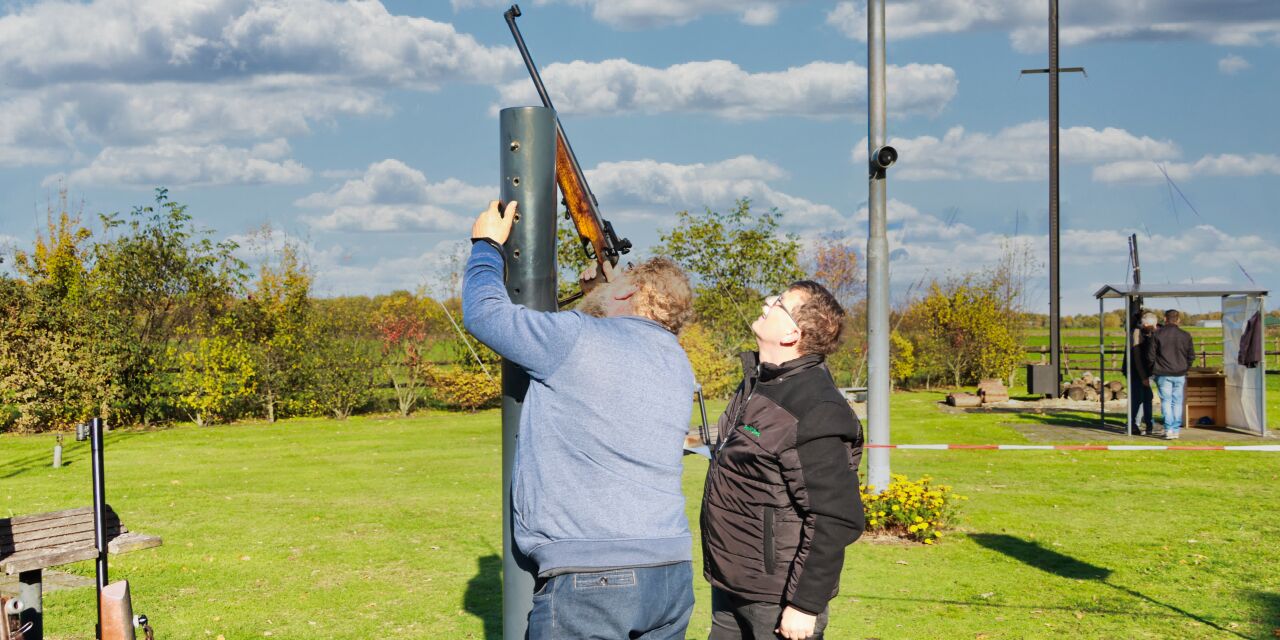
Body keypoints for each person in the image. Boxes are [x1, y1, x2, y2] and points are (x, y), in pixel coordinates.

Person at [463, 200, 698, 639]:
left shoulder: (576, 339)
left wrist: (486, 245)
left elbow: (485, 315)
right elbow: (613, 346)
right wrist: (599, 293)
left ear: (628, 294)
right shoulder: (676, 362)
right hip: (670, 572)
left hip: (595, 577)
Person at [701, 281, 865, 640]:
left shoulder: (815, 406)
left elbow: (836, 517)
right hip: (731, 582)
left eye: (778, 302)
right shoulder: (759, 383)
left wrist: (805, 604)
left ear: (793, 332)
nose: (766, 302)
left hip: (777, 599)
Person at [1145, 309, 1196, 440]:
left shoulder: (1157, 334)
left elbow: (1150, 356)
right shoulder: (1186, 335)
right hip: (1180, 374)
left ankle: (1168, 430)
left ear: (1165, 319)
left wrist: (1153, 370)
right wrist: (1185, 368)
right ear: (1178, 320)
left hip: (1162, 374)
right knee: (1177, 402)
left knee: (1166, 402)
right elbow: (1191, 356)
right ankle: (1175, 429)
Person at [1129, 312, 1158, 435]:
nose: (1155, 327)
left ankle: (1148, 425)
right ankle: (1134, 425)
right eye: (1154, 325)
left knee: (1146, 398)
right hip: (1138, 372)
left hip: (1143, 372)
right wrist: (1144, 377)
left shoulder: (1144, 332)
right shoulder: (1137, 333)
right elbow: (1137, 358)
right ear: (1146, 324)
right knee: (1138, 399)